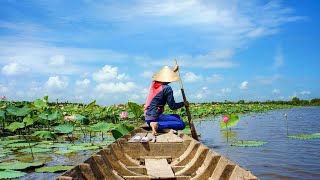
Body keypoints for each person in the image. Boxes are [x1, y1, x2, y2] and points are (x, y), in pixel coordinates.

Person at [144, 65, 188, 135]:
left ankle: (165, 129)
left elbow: (165, 80)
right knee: (182, 124)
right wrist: (184, 103)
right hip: (155, 118)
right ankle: (157, 125)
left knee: (176, 116)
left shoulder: (153, 84)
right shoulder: (167, 88)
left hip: (147, 118)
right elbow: (172, 106)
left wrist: (173, 71)